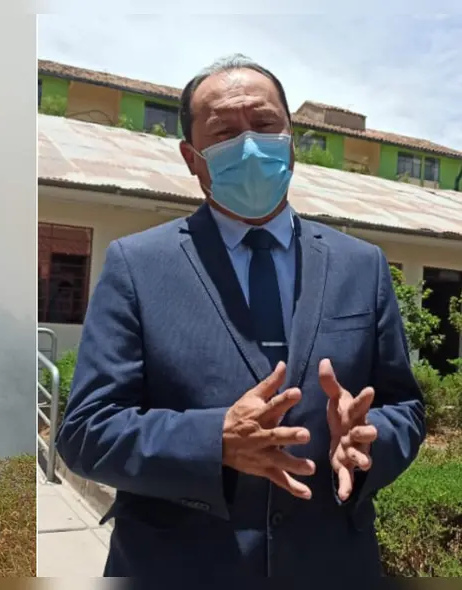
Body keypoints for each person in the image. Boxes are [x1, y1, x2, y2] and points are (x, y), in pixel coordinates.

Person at [55, 54, 425, 581]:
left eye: (266, 124)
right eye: (225, 131)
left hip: (333, 566)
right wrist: (214, 441)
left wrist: (372, 439)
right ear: (192, 156)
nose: (250, 145)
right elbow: (87, 431)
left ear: (293, 141)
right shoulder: (137, 265)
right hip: (177, 568)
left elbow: (404, 405)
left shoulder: (361, 265)